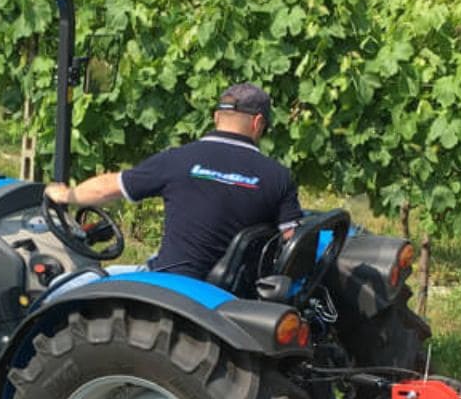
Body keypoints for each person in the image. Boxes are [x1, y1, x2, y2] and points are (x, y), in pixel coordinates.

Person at [42, 82, 302, 279]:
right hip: (230, 289)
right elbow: (291, 239)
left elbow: (107, 188)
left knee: (68, 284)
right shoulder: (278, 176)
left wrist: (66, 195)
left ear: (216, 117)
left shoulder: (178, 159)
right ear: (258, 123)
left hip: (171, 283)